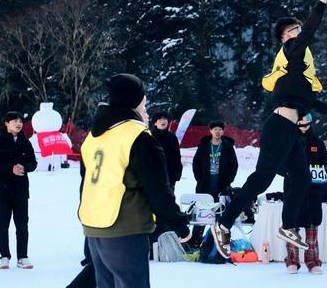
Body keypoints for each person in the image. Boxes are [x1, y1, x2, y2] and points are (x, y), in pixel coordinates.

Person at [211, 0, 327, 259]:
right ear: (287, 37)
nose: (301, 31)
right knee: (262, 179)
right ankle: (224, 222)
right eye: (296, 29)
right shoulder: (292, 49)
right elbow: (309, 32)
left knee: (302, 177)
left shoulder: (298, 73)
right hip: (279, 125)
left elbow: (308, 101)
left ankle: (288, 225)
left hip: (289, 129)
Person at [78, 74, 191, 288]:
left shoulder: (94, 136)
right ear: (133, 102)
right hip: (124, 226)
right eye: (144, 103)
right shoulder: (137, 135)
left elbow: (85, 183)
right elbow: (158, 189)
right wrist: (179, 225)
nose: (146, 109)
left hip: (94, 225)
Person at [284, 114, 327, 275]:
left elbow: (324, 162)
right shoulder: (288, 140)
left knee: (312, 228)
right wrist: (289, 173)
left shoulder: (317, 142)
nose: (303, 128)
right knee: (291, 226)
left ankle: (313, 261)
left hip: (312, 191)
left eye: (306, 125)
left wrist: (324, 170)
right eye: (300, 125)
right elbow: (279, 163)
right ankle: (292, 261)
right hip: (293, 190)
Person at [0, 111, 37, 270]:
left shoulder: (25, 142)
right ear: (6, 123)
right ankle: (4, 256)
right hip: (1, 191)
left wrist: (24, 167)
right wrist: (10, 169)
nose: (19, 123)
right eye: (15, 120)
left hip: (20, 190)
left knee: (22, 225)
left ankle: (22, 257)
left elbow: (33, 163)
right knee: (1, 225)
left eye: (21, 120)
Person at [191, 121, 238, 245]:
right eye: (215, 129)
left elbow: (234, 165)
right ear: (210, 131)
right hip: (205, 185)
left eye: (220, 129)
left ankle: (220, 240)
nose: (217, 131)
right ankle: (195, 240)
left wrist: (229, 180)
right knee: (202, 213)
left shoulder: (227, 146)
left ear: (223, 131)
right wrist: (199, 178)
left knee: (221, 214)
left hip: (221, 185)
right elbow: (196, 162)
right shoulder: (204, 145)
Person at [150, 112, 183, 191]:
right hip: (153, 176)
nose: (163, 121)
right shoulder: (149, 136)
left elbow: (177, 156)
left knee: (168, 200)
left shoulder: (172, 137)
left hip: (170, 176)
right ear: (155, 123)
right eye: (160, 119)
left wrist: (177, 173)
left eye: (165, 119)